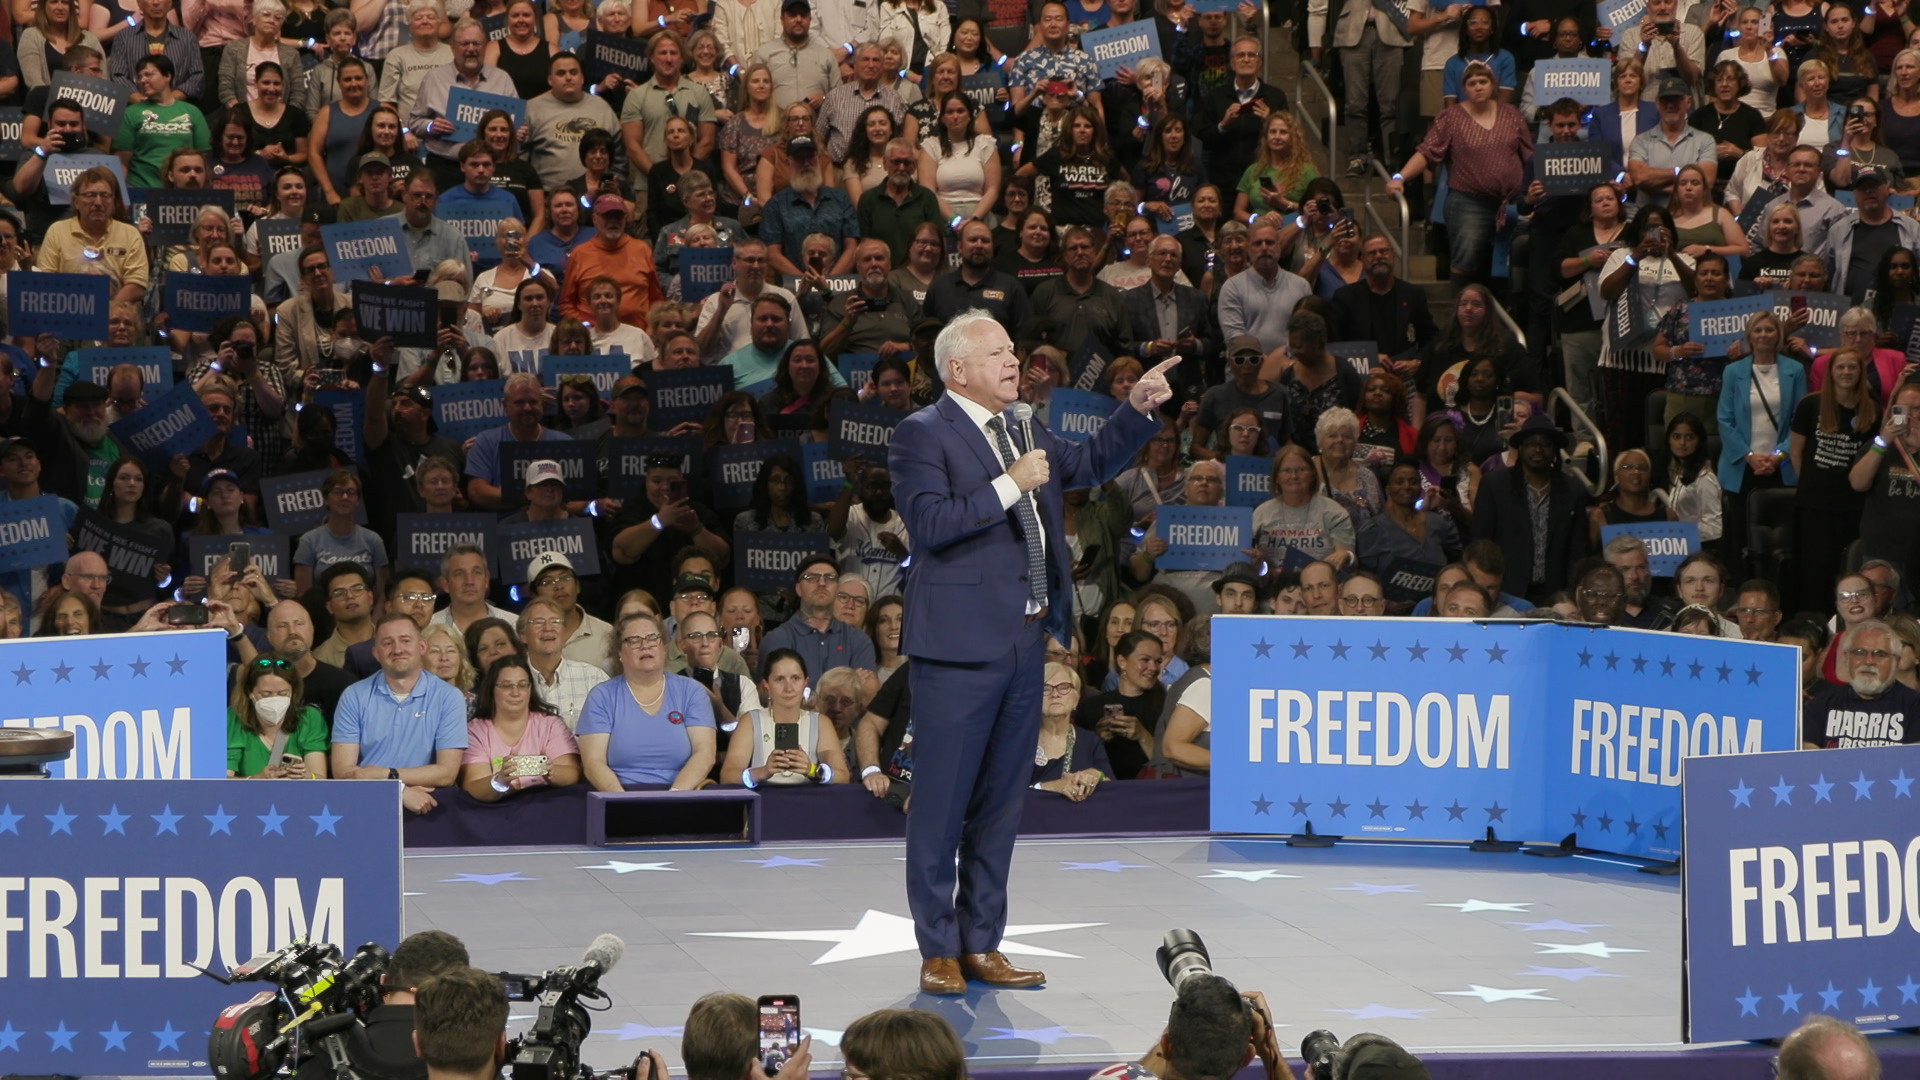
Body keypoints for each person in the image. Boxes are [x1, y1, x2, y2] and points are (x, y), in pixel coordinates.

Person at [889, 307, 1176, 994]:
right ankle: (937, 949)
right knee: (941, 804)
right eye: (999, 354)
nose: (1016, 361)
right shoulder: (920, 433)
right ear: (958, 369)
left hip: (1024, 641)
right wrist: (1008, 485)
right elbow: (929, 526)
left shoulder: (1019, 423)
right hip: (958, 649)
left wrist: (1133, 410)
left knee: (998, 803)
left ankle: (981, 943)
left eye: (1014, 350)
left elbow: (1081, 466)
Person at [1386, 61, 1531, 287]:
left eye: (1483, 81)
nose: (1478, 87)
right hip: (1468, 203)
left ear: (1494, 85)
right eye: (1472, 83)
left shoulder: (1511, 114)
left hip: (1512, 202)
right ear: (1464, 89)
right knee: (1467, 258)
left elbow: (1529, 156)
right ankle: (1462, 311)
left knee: (1511, 262)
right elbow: (1426, 152)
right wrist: (1400, 177)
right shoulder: (1451, 117)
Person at [331, 612, 468, 814]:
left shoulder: (449, 697)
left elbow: (446, 773)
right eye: (388, 643)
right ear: (376, 653)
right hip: (367, 806)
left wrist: (384, 774)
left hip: (429, 806)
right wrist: (399, 791)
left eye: (405, 640)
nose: (397, 649)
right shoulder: (354, 696)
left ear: (422, 647)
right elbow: (343, 773)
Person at [577, 610, 718, 789]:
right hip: (619, 797)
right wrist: (623, 803)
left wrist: (673, 797)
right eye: (634, 641)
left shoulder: (691, 691)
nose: (646, 646)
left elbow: (705, 754)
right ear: (619, 652)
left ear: (663, 647)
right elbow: (593, 763)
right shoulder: (602, 697)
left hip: (681, 795)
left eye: (652, 638)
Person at [1471, 414, 1588, 602]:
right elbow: (1480, 541)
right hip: (1505, 591)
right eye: (1531, 443)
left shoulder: (1573, 491)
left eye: (1546, 444)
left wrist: (1571, 593)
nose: (1538, 449)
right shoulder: (1495, 485)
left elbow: (1577, 551)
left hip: (1555, 593)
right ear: (1521, 448)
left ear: (1555, 451)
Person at [460, 653, 584, 800]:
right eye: (506, 686)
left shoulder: (551, 724)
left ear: (531, 689)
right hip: (496, 811)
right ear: (491, 689)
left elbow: (573, 774)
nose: (516, 693)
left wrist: (551, 771)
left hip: (546, 804)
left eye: (523, 685)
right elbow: (473, 787)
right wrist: (499, 781)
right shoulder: (475, 731)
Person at [1806, 619, 1920, 746]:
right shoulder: (1821, 705)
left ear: (1896, 661)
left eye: (1880, 654)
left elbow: (1914, 761)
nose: (1869, 661)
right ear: (1847, 657)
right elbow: (1810, 760)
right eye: (1859, 652)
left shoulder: (1915, 706)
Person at [227, 654, 331, 778]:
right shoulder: (234, 719)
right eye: (266, 694)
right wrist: (256, 779)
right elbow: (221, 781)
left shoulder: (309, 718)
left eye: (283, 693)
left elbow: (320, 779)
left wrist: (307, 777)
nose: (275, 699)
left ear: (293, 691)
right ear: (250, 692)